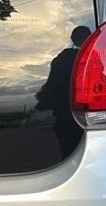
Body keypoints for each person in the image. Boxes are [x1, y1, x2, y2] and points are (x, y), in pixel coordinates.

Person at [35, 26, 92, 157]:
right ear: (88, 39)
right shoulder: (90, 58)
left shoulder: (59, 59)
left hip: (63, 114)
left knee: (67, 150)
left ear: (73, 39)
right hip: (86, 115)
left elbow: (50, 86)